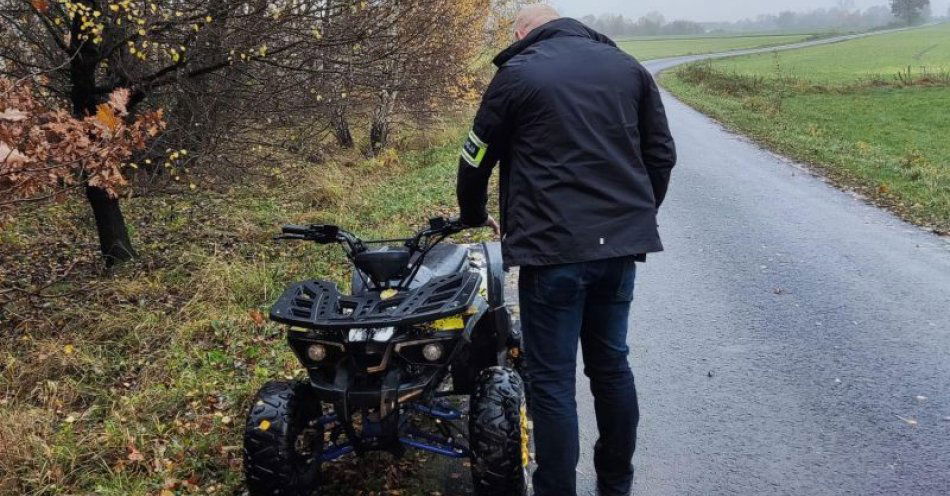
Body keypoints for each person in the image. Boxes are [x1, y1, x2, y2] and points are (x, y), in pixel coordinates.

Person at [455, 5, 676, 496]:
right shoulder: (628, 68)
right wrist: (634, 219)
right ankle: (616, 482)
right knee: (611, 365)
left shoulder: (518, 74)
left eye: (515, 34)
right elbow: (662, 155)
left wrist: (471, 215)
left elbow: (474, 157)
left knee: (553, 381)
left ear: (524, 33)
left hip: (551, 253)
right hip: (617, 252)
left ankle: (556, 489)